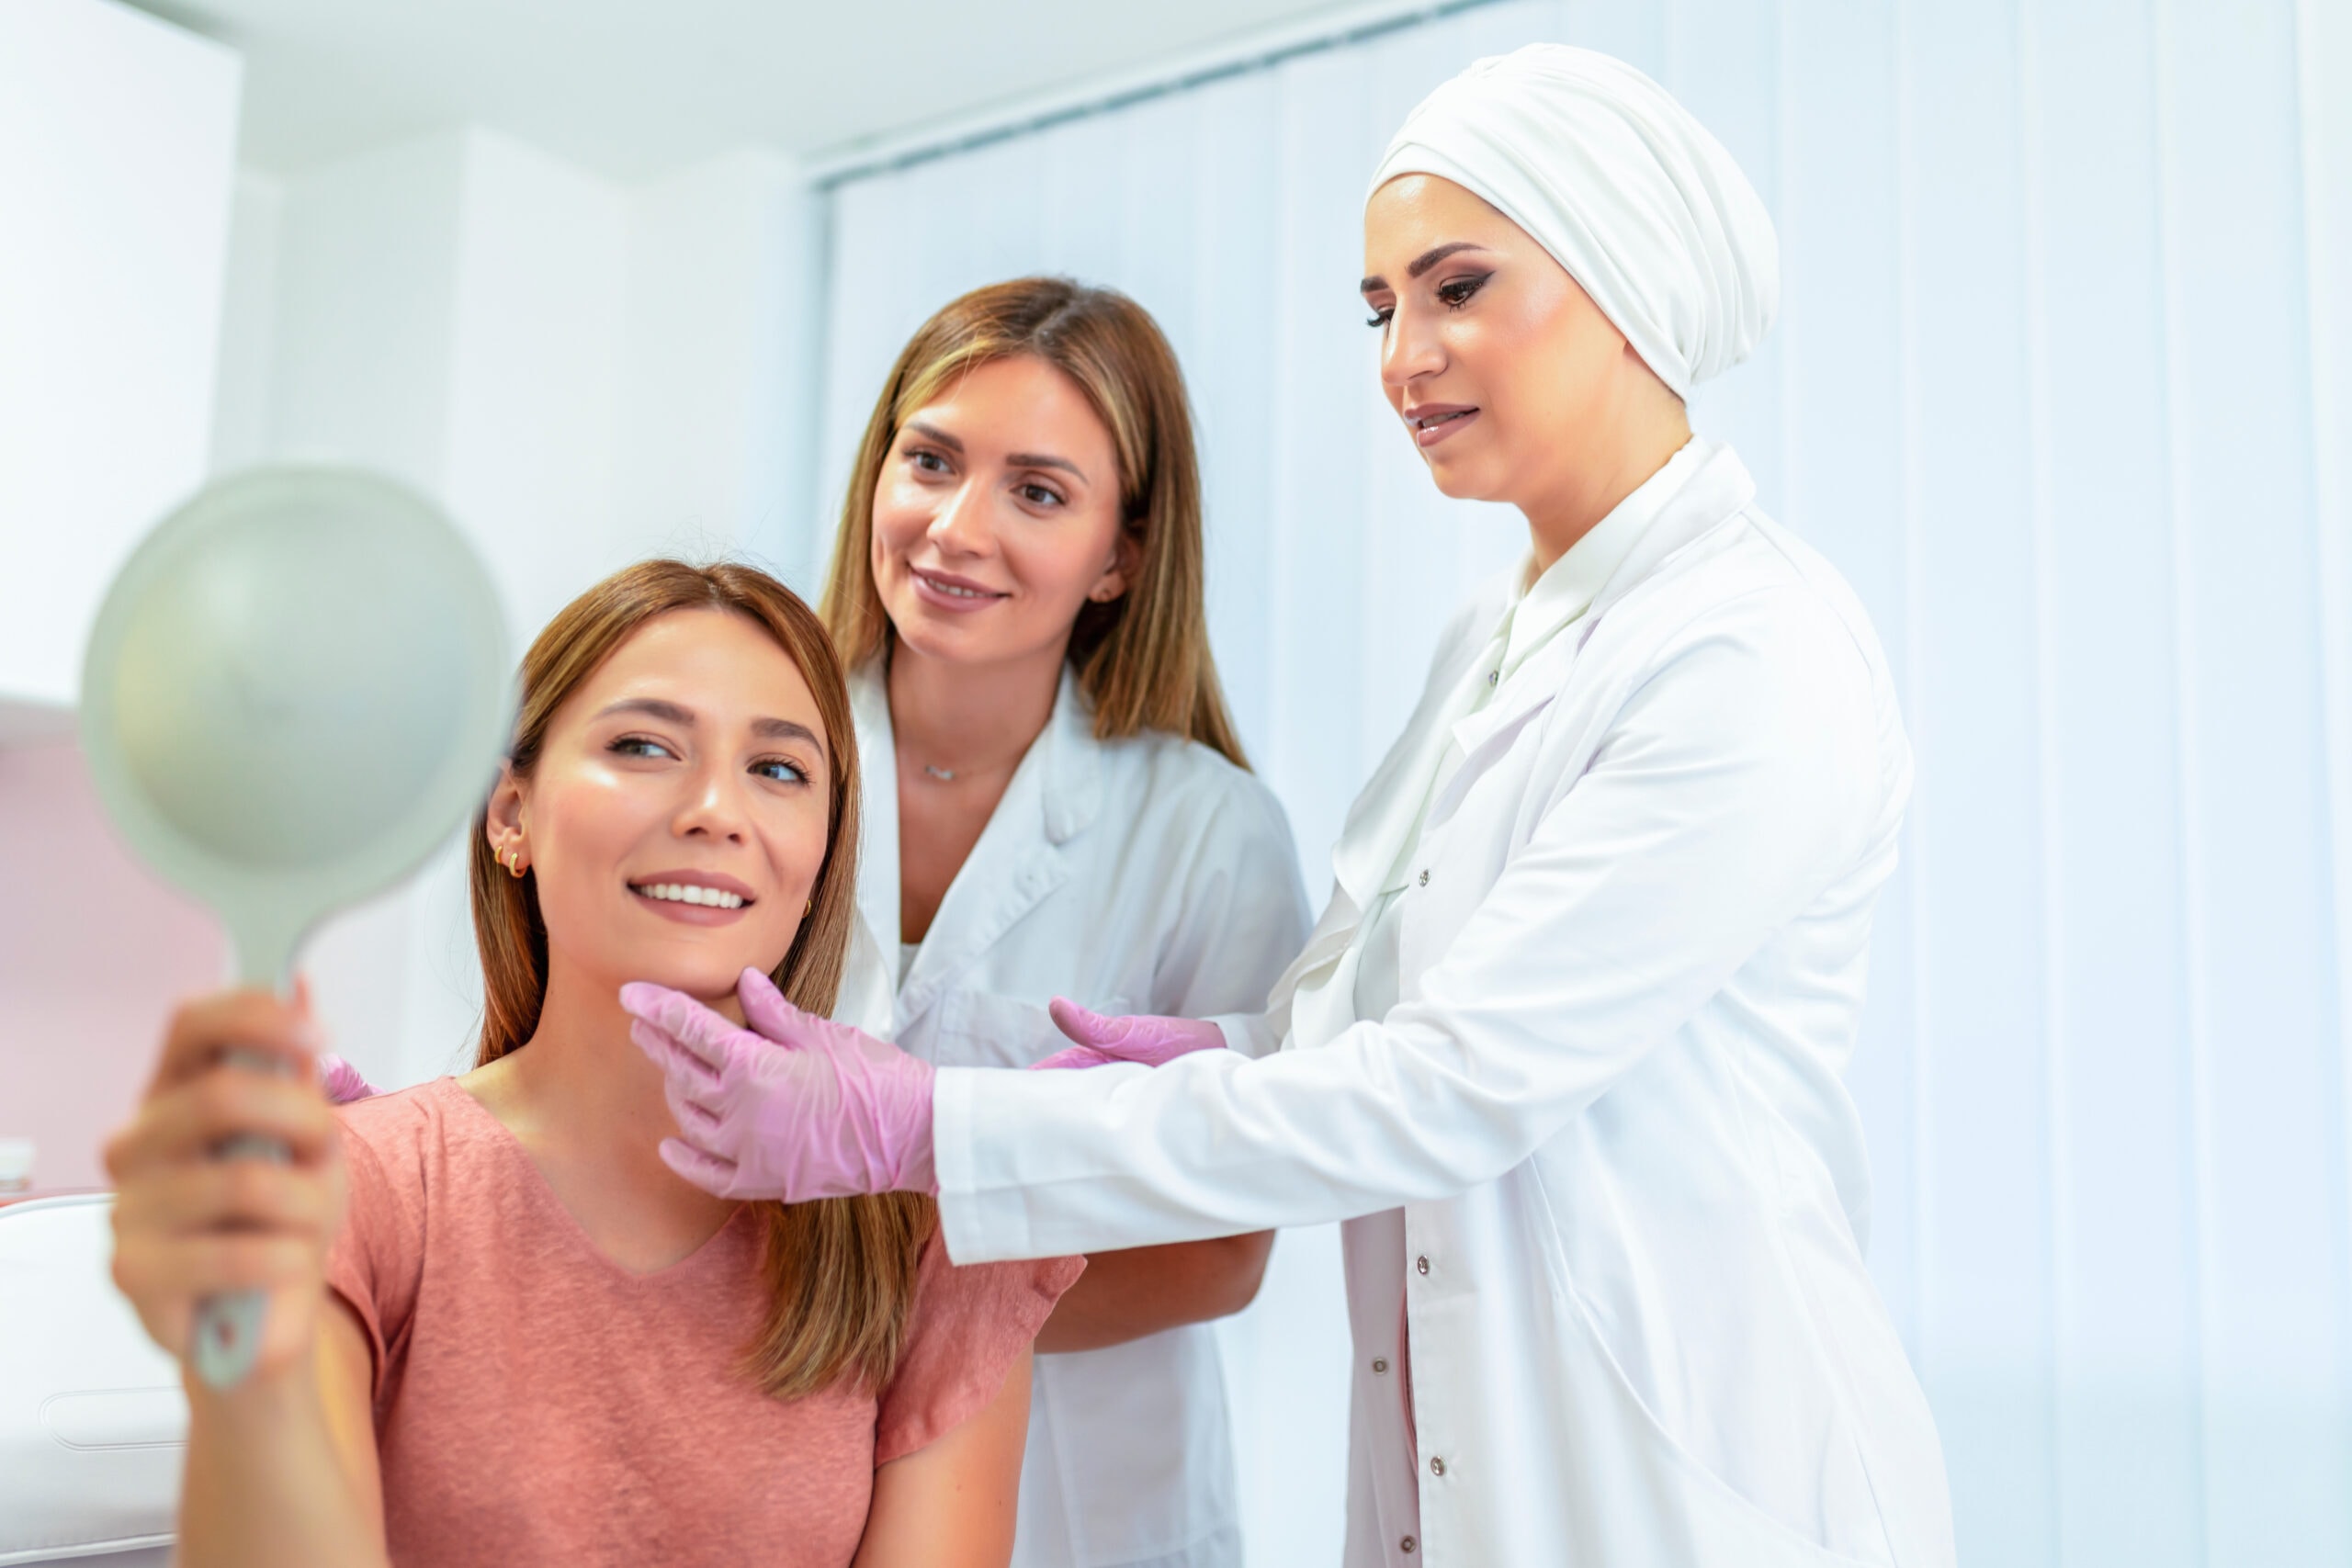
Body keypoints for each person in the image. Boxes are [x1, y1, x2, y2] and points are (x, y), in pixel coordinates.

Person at [626, 43, 1957, 1568]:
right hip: (1463, 1468)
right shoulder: (1498, 642)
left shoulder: (1746, 651)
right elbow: (1398, 1021)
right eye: (1382, 307)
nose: (1404, 357)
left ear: (1626, 276)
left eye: (1458, 288)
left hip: (1682, 1484)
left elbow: (1457, 1084)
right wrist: (1245, 1047)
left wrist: (925, 1124)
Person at [104, 560, 1082, 1568]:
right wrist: (243, 1384)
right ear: (509, 814)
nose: (715, 809)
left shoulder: (927, 1246)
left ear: (823, 858)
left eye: (780, 770)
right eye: (643, 746)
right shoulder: (354, 1195)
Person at [820, 277, 1312, 1568]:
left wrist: (867, 1323)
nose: (955, 528)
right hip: (771, 1477)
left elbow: (1218, 1253)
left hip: (1085, 1509)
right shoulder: (761, 765)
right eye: (928, 460)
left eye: (1037, 491)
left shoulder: (1209, 832)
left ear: (1121, 555)